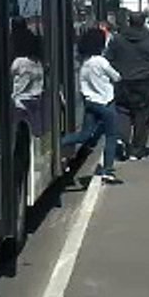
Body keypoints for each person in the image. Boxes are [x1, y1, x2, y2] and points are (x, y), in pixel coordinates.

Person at [62, 27, 122, 183]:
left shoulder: (84, 63)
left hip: (90, 103)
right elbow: (116, 77)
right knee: (111, 136)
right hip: (105, 102)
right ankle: (108, 170)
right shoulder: (101, 61)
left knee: (85, 134)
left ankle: (61, 143)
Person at [105, 11, 149, 161]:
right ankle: (137, 149)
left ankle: (123, 140)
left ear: (129, 21)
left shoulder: (118, 39)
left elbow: (108, 59)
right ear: (144, 22)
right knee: (143, 116)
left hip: (122, 82)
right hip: (146, 83)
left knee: (123, 111)